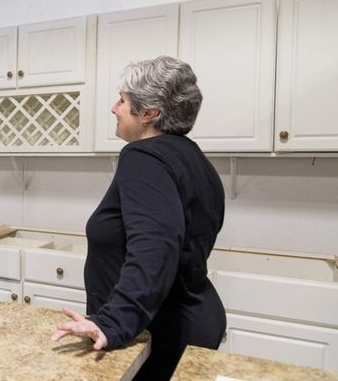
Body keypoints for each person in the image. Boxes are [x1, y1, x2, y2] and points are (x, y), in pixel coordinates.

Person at [51, 56, 226, 380]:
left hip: (155, 335)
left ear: (149, 113)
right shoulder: (193, 157)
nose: (114, 108)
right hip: (195, 317)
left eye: (122, 100)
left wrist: (114, 321)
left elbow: (155, 246)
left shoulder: (144, 156)